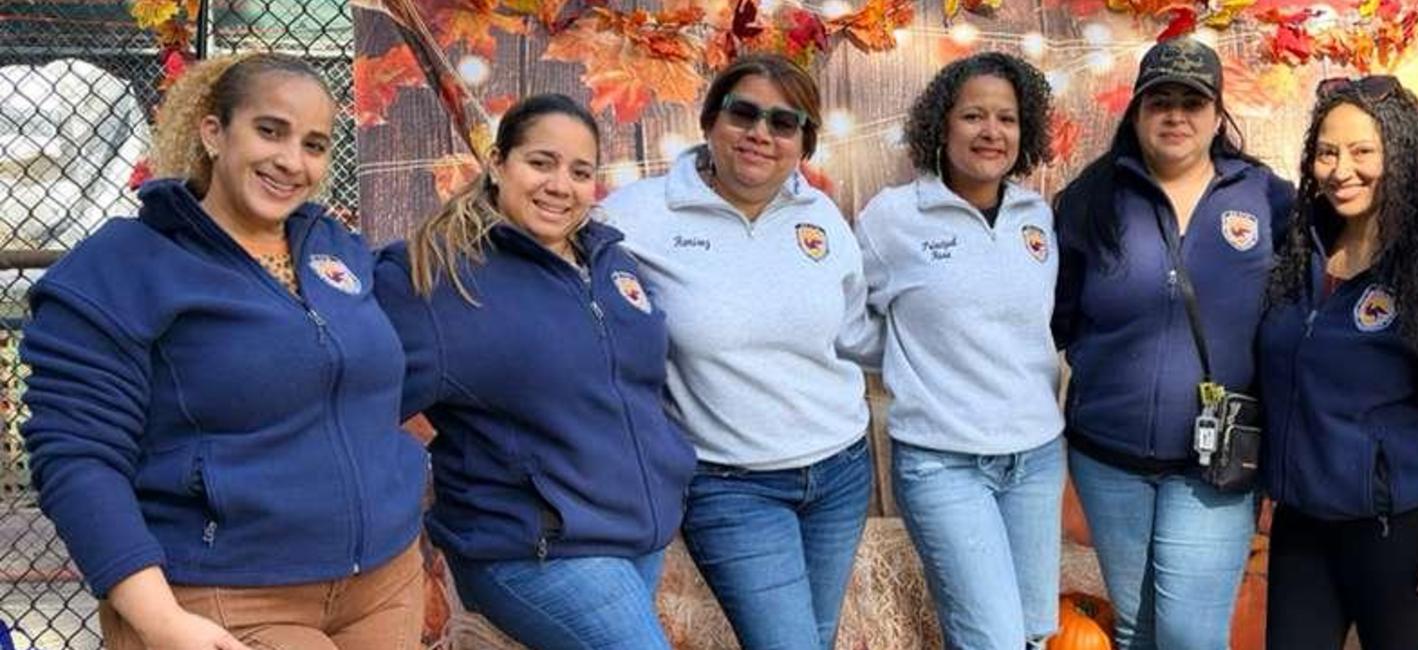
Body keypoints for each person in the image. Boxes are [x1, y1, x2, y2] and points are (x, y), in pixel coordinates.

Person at [20, 53, 426, 650]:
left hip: (384, 585)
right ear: (213, 132)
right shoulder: (126, 266)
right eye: (270, 131)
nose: (292, 161)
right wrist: (160, 621)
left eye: (314, 144)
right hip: (225, 595)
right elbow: (77, 455)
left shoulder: (335, 248)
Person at [373, 94, 696, 649]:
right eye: (540, 163)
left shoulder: (610, 262)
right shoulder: (434, 277)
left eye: (580, 171)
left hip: (635, 536)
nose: (560, 185)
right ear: (498, 163)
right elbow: (353, 395)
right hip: (533, 549)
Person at [597, 54, 880, 650]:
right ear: (709, 121)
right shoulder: (636, 216)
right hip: (730, 483)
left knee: (815, 638)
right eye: (743, 113)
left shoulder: (821, 216)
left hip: (841, 470)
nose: (760, 134)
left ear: (804, 142)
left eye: (783, 122)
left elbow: (854, 331)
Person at [1050, 37, 1293, 649]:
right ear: (1136, 112)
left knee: (1190, 634)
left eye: (1193, 102)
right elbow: (1059, 317)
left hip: (1212, 465)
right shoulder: (1089, 199)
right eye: (1160, 101)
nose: (1176, 116)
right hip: (1109, 458)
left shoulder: (1265, 198)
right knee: (1137, 629)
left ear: (1218, 116)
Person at [1258, 75, 1418, 649]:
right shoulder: (1299, 254)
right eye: (1327, 152)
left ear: (1402, 155)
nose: (1340, 169)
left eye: (1362, 151)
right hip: (1302, 524)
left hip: (1396, 531)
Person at [854, 52, 1063, 650]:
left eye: (1007, 118)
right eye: (974, 116)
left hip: (1035, 456)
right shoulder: (892, 219)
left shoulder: (1036, 216)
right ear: (941, 126)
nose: (991, 132)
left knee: (1033, 633)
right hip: (944, 460)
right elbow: (845, 321)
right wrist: (910, 357)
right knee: (991, 640)